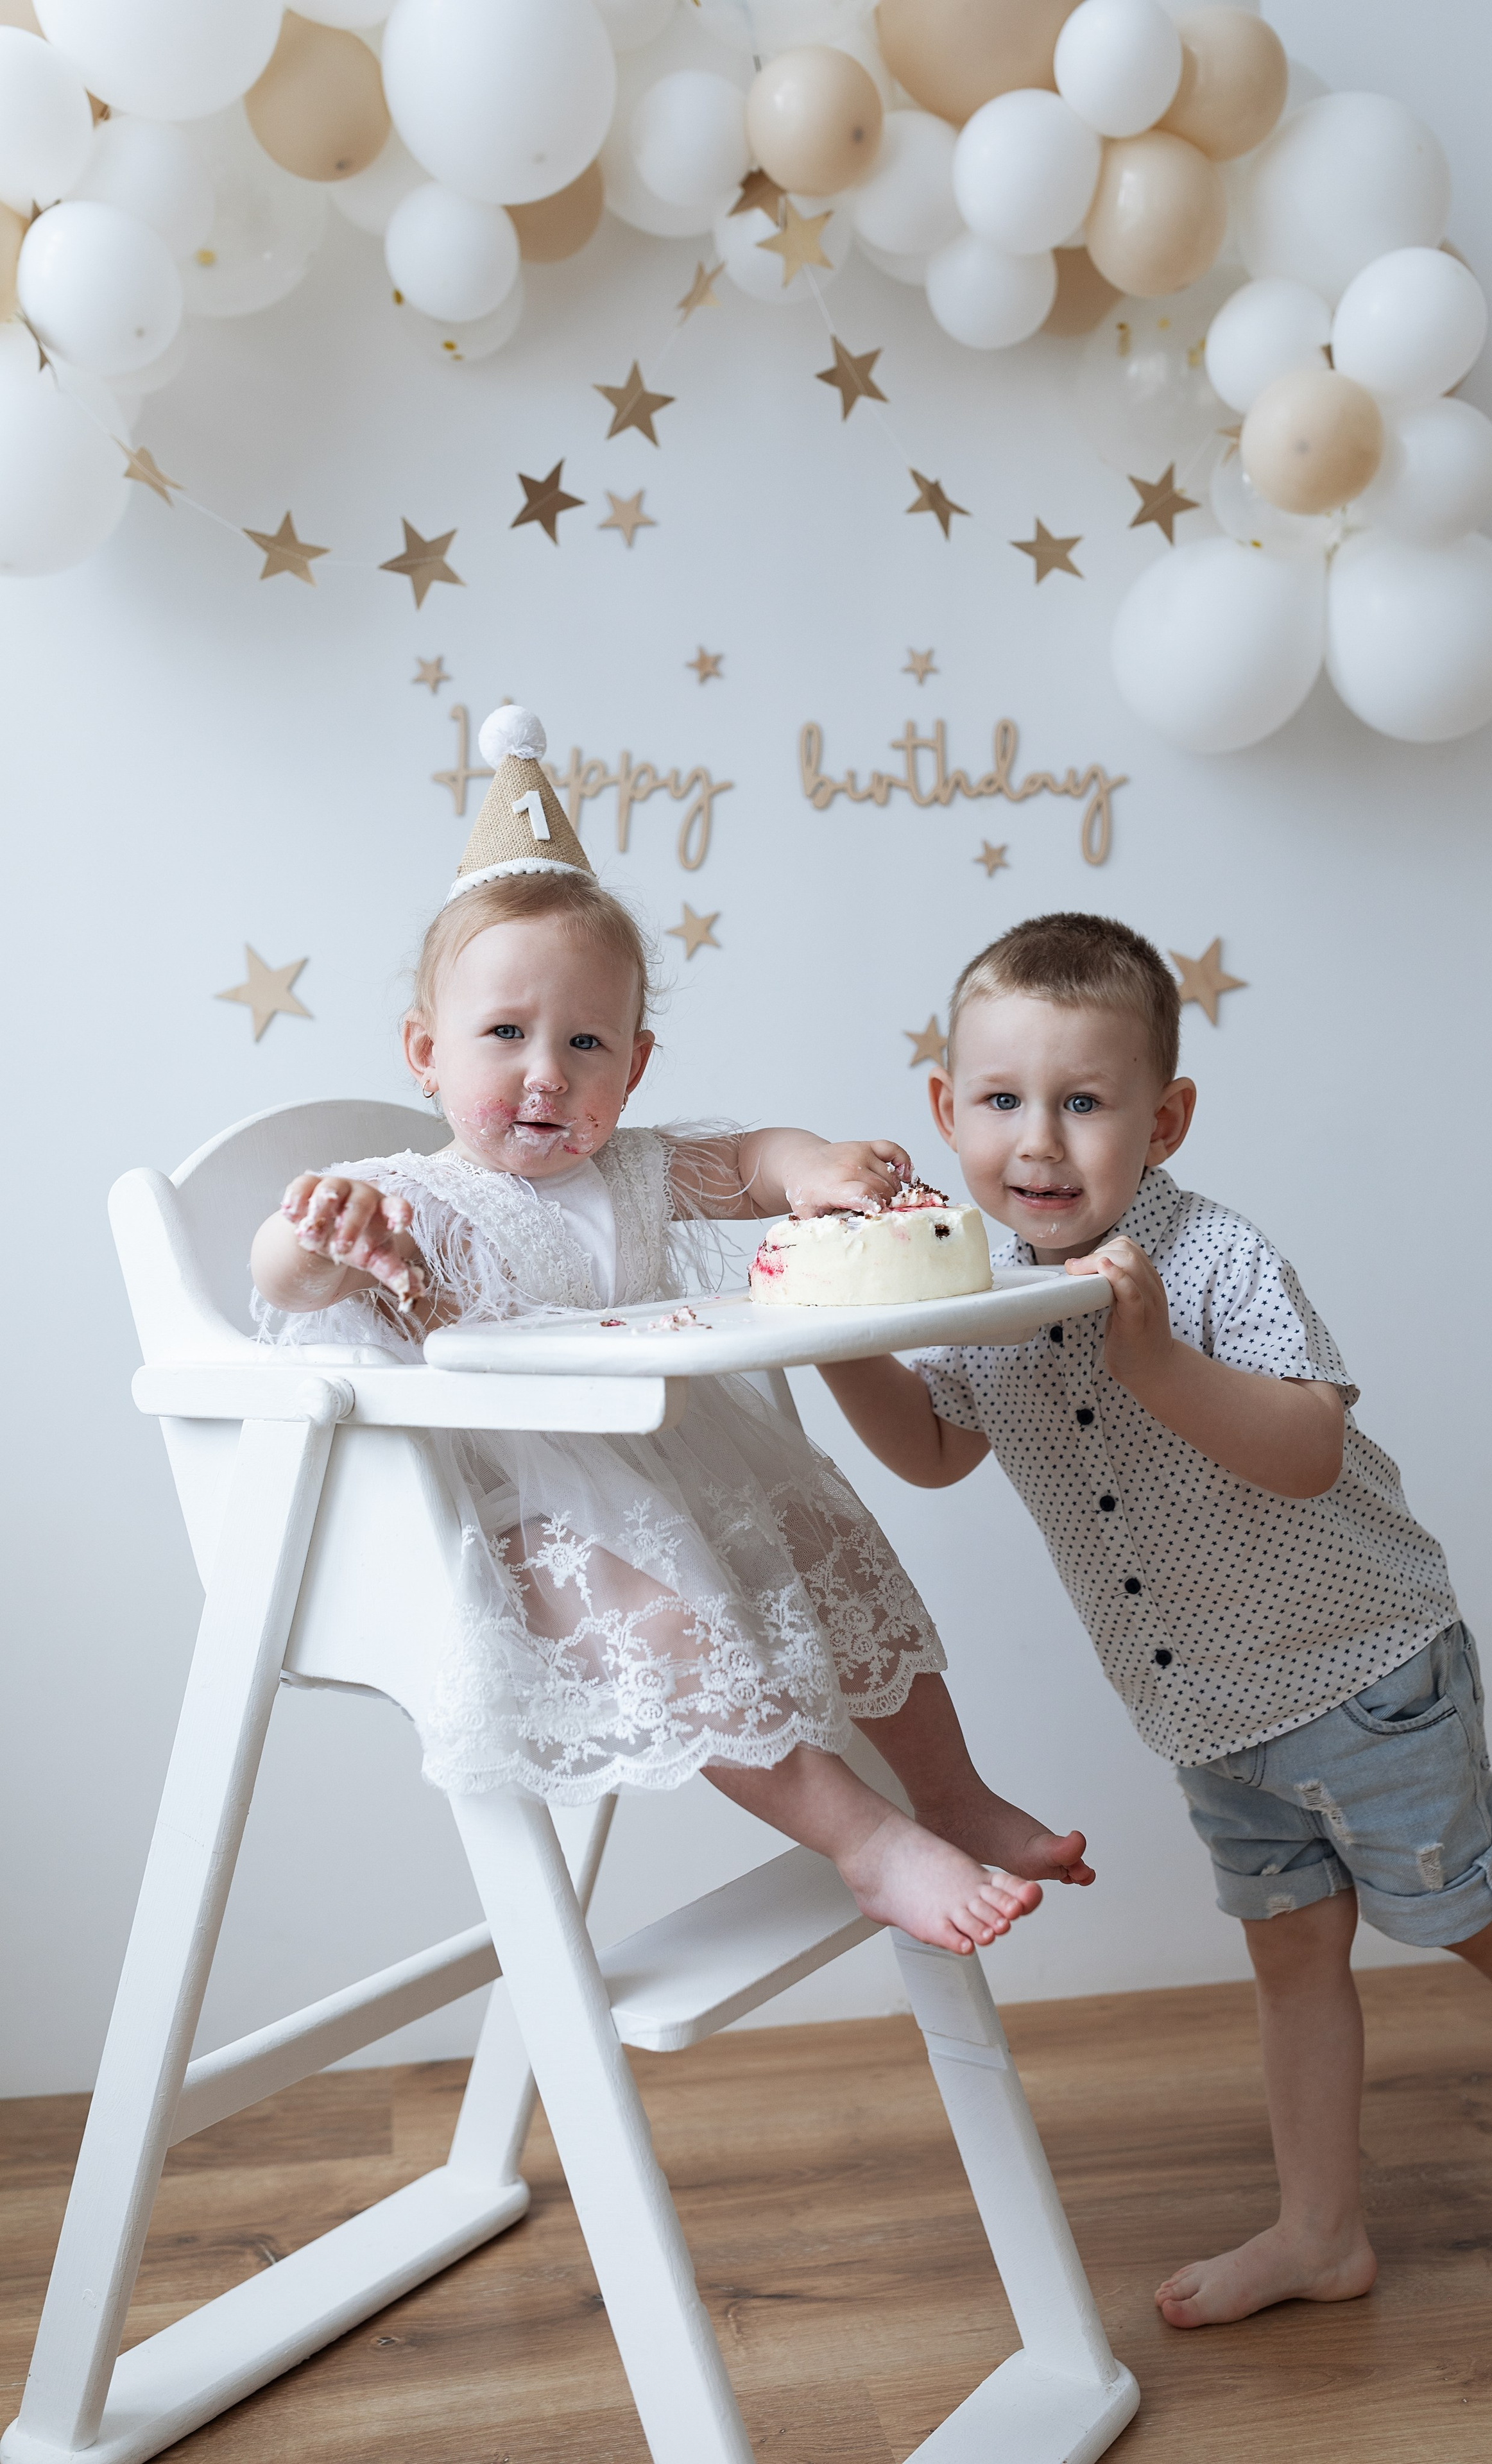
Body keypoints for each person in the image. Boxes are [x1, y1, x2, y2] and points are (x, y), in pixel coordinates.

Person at [817, 909, 1492, 2327]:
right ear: (944, 1113)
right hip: (1205, 1712)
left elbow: (1303, 1451)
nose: (1038, 1143)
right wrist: (844, 1337)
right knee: (1290, 1959)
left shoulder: (1215, 1262)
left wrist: (1154, 1358)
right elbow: (933, 1451)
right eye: (1000, 1102)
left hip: (1363, 1664)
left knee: (1457, 1910)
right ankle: (1321, 2232)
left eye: (1082, 1102)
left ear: (1162, 1120)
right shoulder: (972, 1291)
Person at [249, 707, 1092, 1962]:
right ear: (425, 1055)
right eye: (504, 1036)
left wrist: (810, 1169)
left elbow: (751, 1159)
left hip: (667, 1463)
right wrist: (321, 1232)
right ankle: (863, 1838)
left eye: (585, 1042)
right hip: (512, 1511)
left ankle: (951, 1790)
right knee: (677, 1638)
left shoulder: (635, 1171)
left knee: (830, 1541)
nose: (546, 1072)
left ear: (633, 1067)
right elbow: (286, 1283)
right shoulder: (411, 1199)